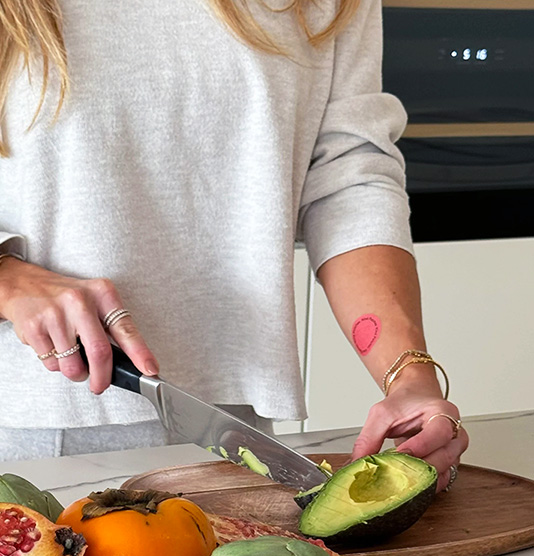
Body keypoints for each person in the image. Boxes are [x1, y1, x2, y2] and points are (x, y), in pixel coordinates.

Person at [0, 0, 468, 488]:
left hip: (231, 432)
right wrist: (8, 279)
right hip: (28, 428)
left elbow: (347, 177)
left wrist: (408, 378)